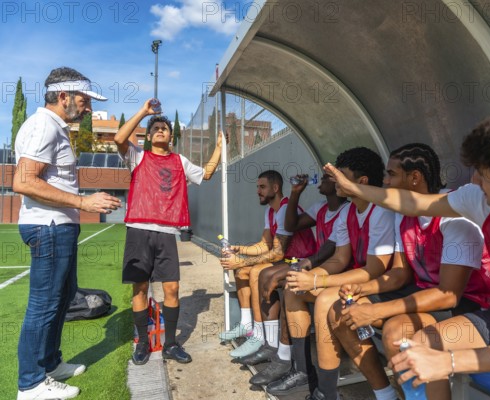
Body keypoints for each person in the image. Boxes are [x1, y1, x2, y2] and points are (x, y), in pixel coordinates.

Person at [324, 106, 490, 399]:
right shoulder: (483, 202)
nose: (474, 182)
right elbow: (414, 202)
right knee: (422, 342)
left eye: (484, 175)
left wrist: (449, 361)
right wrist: (355, 188)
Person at [328, 143, 490, 400]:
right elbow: (400, 273)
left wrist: (376, 310)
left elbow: (449, 296)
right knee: (341, 311)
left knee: (398, 332)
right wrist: (363, 289)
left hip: (467, 302)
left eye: (391, 174)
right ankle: (386, 394)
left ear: (415, 178)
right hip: (424, 294)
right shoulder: (403, 215)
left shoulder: (456, 218)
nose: (385, 182)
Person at [13, 67, 121, 400]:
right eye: (84, 100)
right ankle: (30, 383)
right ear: (64, 97)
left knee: (61, 299)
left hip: (59, 227)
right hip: (48, 227)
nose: (88, 107)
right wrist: (82, 202)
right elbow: (23, 181)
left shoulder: (55, 127)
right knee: (43, 306)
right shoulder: (42, 125)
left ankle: (49, 363)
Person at [270, 147, 395, 400]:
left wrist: (317, 279)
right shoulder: (348, 212)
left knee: (326, 301)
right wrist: (308, 277)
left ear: (361, 182)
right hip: (353, 283)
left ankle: (326, 393)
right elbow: (340, 259)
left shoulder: (380, 211)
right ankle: (304, 371)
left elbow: (374, 270)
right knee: (294, 288)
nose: (335, 179)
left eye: (341, 175)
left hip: (382, 287)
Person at [115, 99, 224, 366]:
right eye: (156, 129)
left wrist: (219, 147)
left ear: (170, 137)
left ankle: (171, 345)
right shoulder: (138, 156)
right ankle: (142, 342)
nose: (160, 130)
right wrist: (144, 112)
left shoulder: (180, 161)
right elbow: (119, 137)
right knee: (140, 289)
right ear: (149, 136)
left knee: (172, 288)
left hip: (166, 234)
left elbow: (207, 174)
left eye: (164, 128)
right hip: (139, 231)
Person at [236, 172, 348, 387]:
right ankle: (272, 346)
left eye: (327, 177)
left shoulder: (347, 210)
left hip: (325, 267)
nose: (321, 179)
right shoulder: (319, 207)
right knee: (265, 275)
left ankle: (285, 356)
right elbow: (292, 225)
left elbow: (327, 251)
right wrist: (296, 193)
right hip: (316, 264)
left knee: (283, 281)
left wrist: (302, 265)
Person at [219, 170, 316, 361]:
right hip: (287, 259)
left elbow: (278, 252)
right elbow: (265, 244)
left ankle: (260, 335)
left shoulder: (286, 210)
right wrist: (239, 250)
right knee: (241, 270)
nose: (258, 191)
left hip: (302, 260)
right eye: (257, 187)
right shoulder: (270, 210)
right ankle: (247, 325)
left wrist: (244, 260)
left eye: (262, 187)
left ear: (275, 188)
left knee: (255, 271)